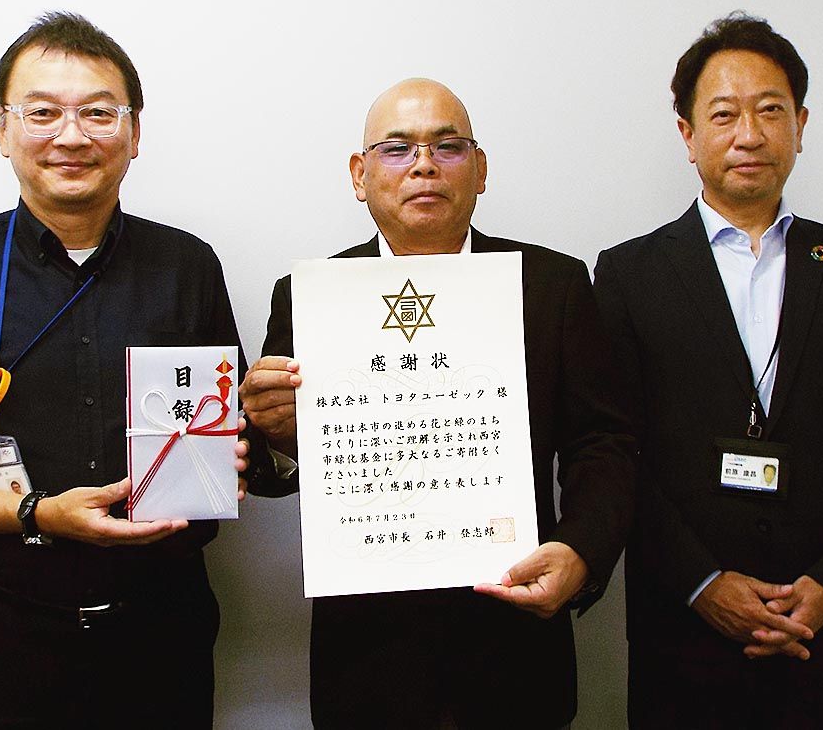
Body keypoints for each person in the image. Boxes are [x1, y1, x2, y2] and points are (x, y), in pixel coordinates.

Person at [0, 12, 261, 728]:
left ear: (134, 132)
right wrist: (38, 512)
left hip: (164, 633)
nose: (71, 136)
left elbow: (224, 430)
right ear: (2, 130)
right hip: (2, 635)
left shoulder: (187, 264)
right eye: (42, 113)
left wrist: (236, 454)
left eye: (98, 113)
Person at [241, 77, 636, 728]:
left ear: (480, 170)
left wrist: (582, 550)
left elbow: (604, 442)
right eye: (397, 149)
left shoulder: (553, 285)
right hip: (367, 661)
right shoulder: (308, 297)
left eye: (447, 147)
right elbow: (272, 463)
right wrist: (280, 436)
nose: (423, 164)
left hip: (515, 652)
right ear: (359, 174)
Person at [593, 13, 823, 728]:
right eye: (724, 114)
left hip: (817, 633)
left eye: (770, 110)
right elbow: (616, 453)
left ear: (801, 125)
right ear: (688, 135)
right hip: (682, 632)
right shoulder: (628, 274)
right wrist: (701, 581)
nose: (749, 134)